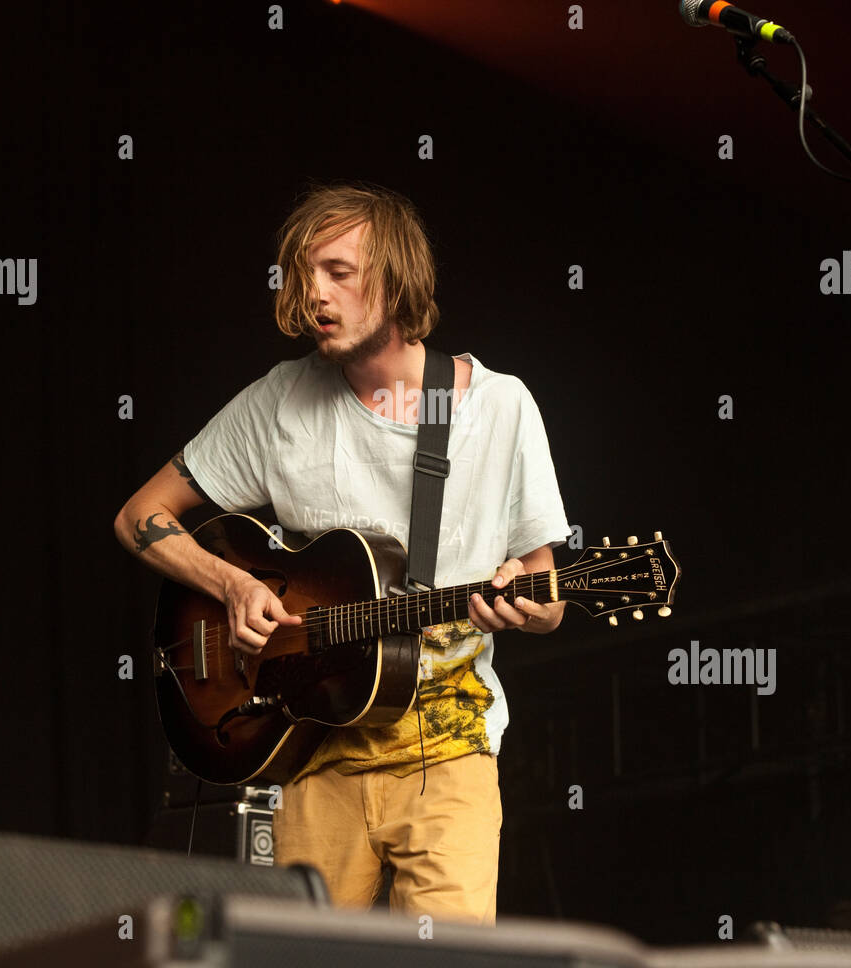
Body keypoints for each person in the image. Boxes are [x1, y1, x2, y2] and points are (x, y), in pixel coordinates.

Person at [114, 181, 571, 925]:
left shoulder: (499, 407)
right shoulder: (279, 402)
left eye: (337, 272)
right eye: (303, 276)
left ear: (394, 279)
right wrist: (228, 583)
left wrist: (524, 603)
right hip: (312, 752)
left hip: (447, 752)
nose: (312, 296)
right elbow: (140, 515)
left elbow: (547, 591)